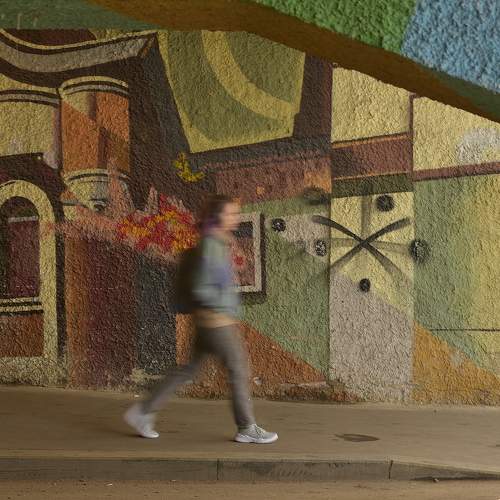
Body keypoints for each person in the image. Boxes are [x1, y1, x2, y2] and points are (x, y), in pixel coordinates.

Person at [124, 194, 278, 444]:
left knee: (189, 369)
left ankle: (143, 412)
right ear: (217, 217)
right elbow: (201, 287)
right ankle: (247, 427)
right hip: (217, 322)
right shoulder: (211, 246)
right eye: (230, 213)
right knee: (238, 369)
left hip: (209, 321)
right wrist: (223, 305)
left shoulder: (216, 242)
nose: (235, 217)